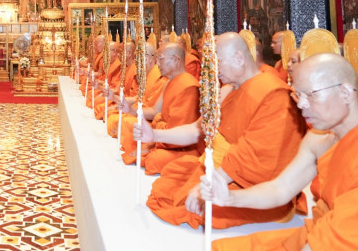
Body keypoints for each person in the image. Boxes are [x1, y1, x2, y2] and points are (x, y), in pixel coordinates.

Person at [140, 32, 306, 229]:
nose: (214, 70)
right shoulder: (230, 89)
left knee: (199, 209)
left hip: (255, 187)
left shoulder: (274, 96)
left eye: (218, 62)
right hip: (223, 170)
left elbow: (250, 155)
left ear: (239, 58)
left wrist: (210, 184)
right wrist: (155, 135)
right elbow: (198, 129)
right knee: (172, 179)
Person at [202, 53, 358, 250]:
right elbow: (280, 189)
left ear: (345, 93)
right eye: (298, 95)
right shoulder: (317, 139)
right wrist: (229, 198)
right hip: (323, 233)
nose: (300, 104)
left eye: (310, 94)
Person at [120, 43, 200, 172]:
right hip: (163, 134)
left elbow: (181, 131)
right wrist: (130, 110)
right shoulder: (169, 82)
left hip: (180, 144)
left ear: (176, 60)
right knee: (132, 139)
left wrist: (155, 136)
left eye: (161, 59)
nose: (157, 63)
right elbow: (154, 111)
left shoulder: (189, 86)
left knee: (154, 159)